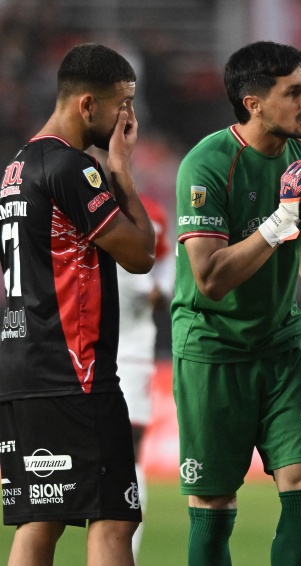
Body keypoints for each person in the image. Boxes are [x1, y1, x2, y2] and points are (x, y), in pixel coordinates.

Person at [171, 41, 301, 565]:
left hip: (282, 342)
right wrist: (278, 220)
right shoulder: (207, 164)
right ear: (253, 102)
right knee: (215, 499)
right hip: (213, 345)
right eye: (293, 92)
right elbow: (211, 278)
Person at [0, 43, 155, 565]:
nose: (127, 119)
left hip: (22, 368)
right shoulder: (73, 169)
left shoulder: (16, 167)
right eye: (122, 105)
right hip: (76, 371)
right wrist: (123, 172)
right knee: (114, 518)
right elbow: (140, 253)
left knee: (38, 522)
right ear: (88, 106)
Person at [116, 193, 173, 562]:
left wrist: (161, 289)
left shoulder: (150, 212)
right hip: (81, 341)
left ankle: (128, 551)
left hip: (133, 341)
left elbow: (167, 260)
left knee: (130, 446)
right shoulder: (76, 200)